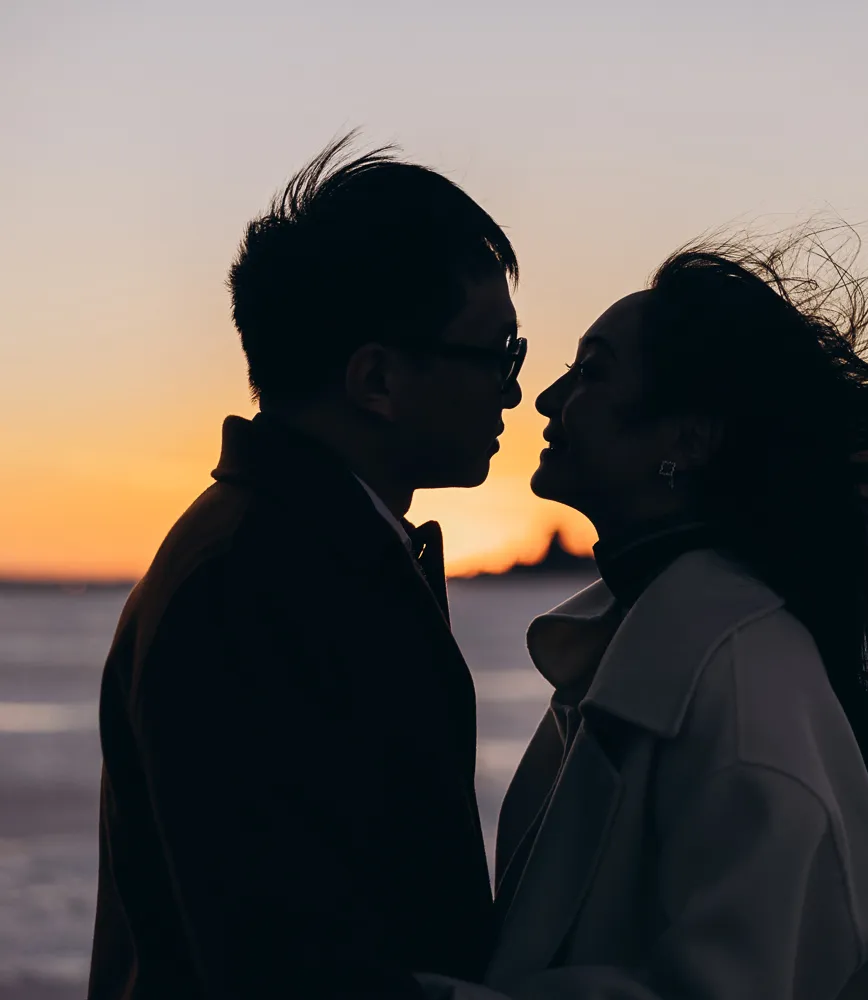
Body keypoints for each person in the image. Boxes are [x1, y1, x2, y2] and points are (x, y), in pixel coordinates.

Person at [420, 231, 868, 1000]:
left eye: (592, 372)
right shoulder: (643, 656)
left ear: (690, 439)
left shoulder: (739, 700)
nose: (548, 397)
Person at [87, 135, 525, 1000]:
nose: (514, 391)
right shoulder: (249, 586)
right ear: (377, 379)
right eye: (496, 355)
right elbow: (279, 965)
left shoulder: (307, 554)